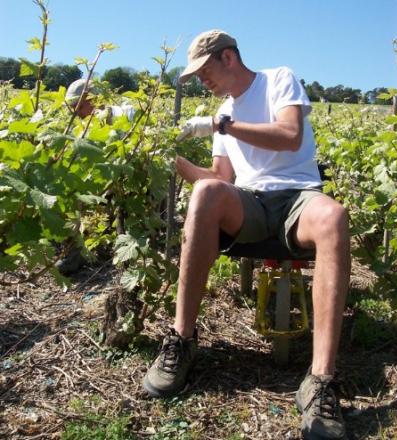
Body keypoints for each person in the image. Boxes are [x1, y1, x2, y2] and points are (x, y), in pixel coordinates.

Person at [143, 30, 350, 440]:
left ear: (229, 57)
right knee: (205, 192)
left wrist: (225, 125)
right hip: (250, 203)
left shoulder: (277, 80)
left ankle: (321, 380)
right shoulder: (223, 112)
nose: (203, 80)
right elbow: (221, 180)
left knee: (335, 217)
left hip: (298, 198)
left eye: (205, 70)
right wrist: (174, 158)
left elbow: (290, 137)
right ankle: (181, 340)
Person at [55, 79, 135, 275]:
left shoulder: (125, 115)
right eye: (73, 110)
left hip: (129, 175)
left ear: (95, 98)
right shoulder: (83, 129)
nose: (77, 114)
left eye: (80, 107)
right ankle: (79, 251)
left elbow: (134, 154)